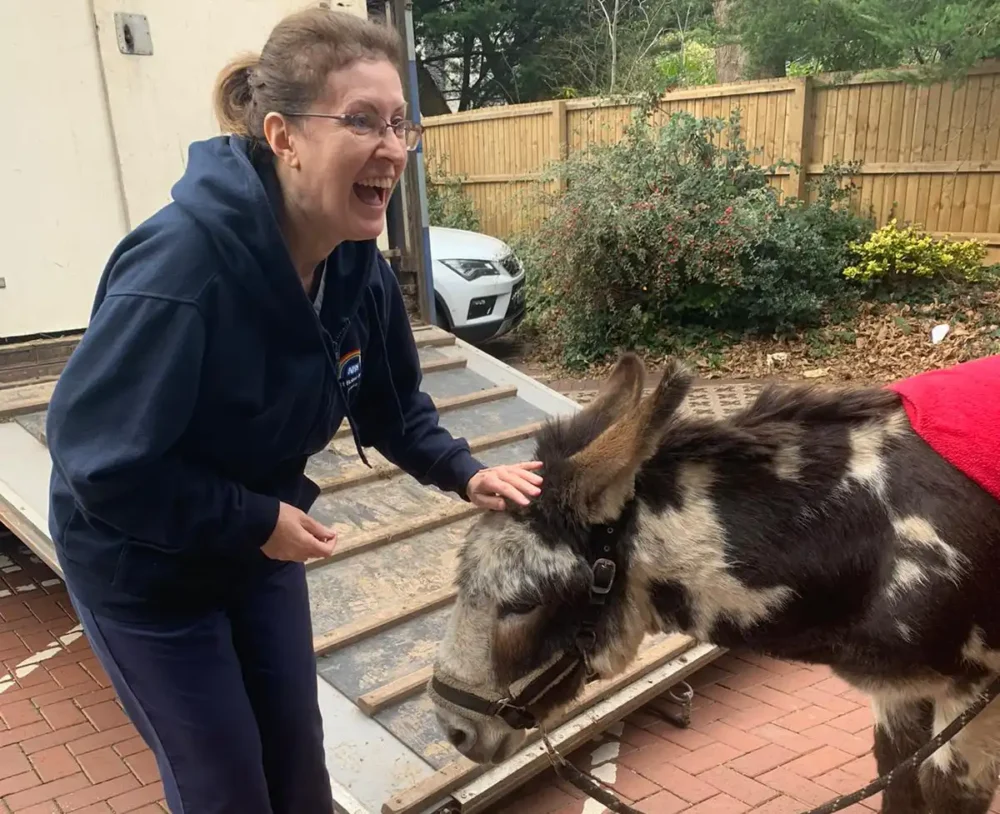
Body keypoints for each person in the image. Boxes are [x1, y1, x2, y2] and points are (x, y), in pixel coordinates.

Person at [44, 8, 543, 813]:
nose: (392, 148)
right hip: (144, 569)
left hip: (254, 549)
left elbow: (393, 408)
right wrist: (254, 519)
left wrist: (464, 472)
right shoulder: (181, 273)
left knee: (299, 779)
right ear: (284, 137)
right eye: (362, 121)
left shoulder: (356, 265)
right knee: (228, 790)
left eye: (401, 124)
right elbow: (100, 465)